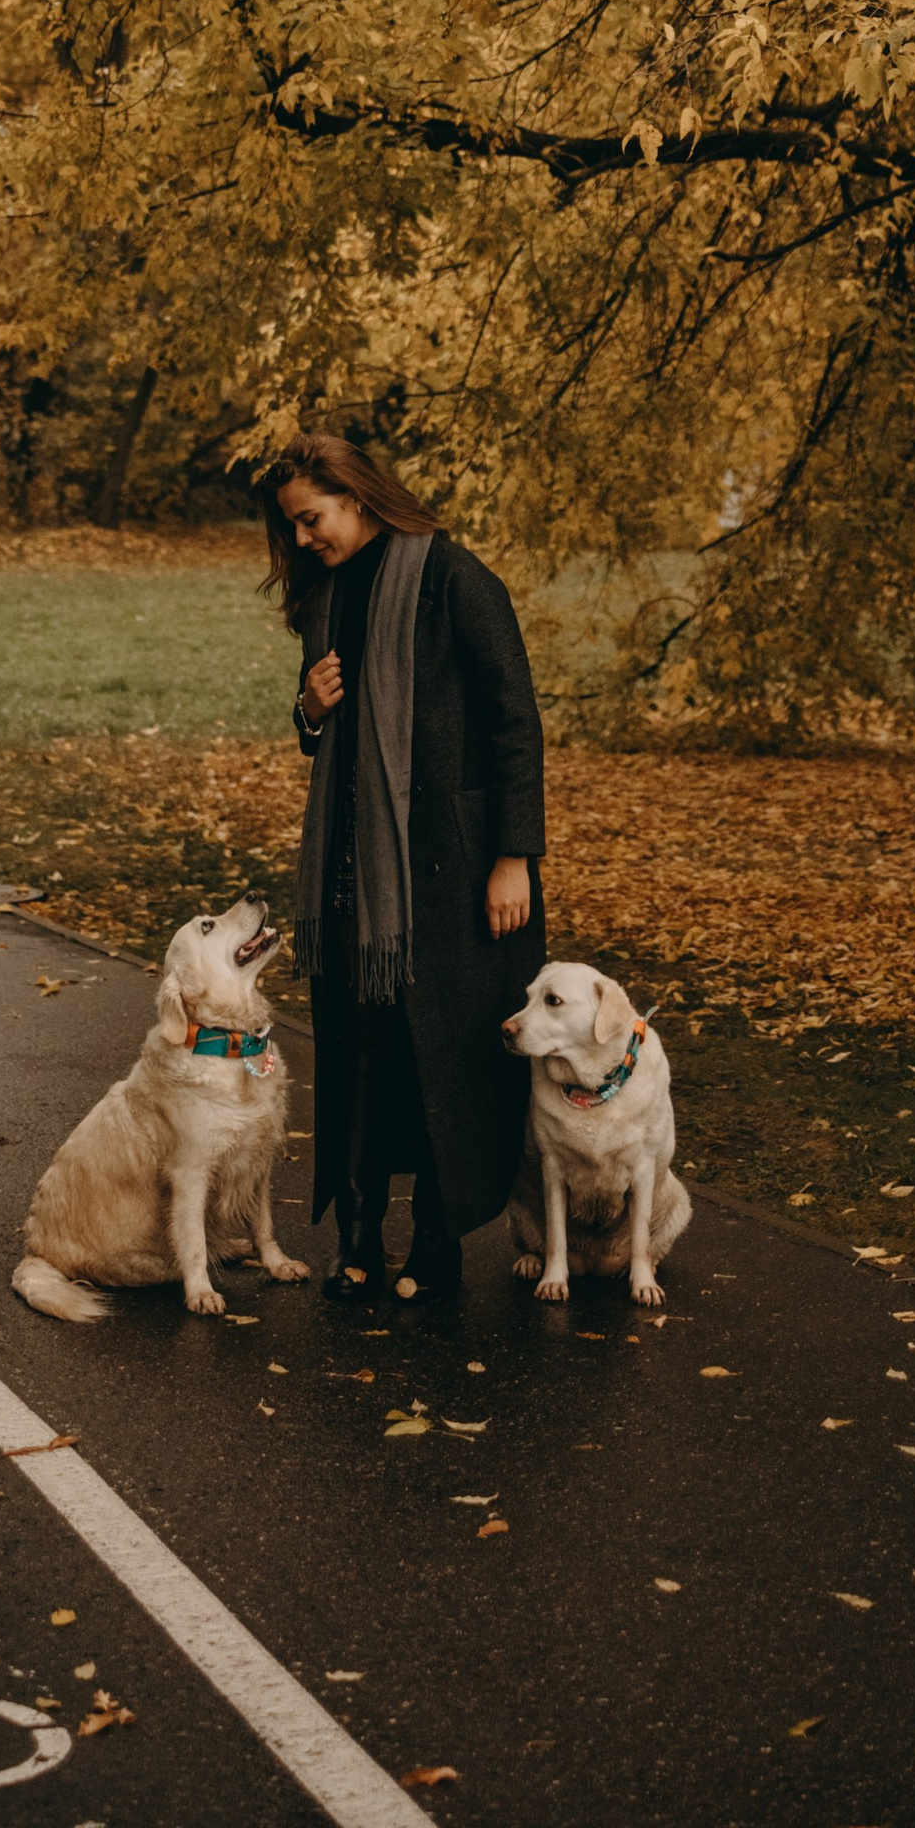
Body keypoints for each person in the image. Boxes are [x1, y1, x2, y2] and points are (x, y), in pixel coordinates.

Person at [262, 432, 546, 1301]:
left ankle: (435, 1241)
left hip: (453, 871)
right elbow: (324, 732)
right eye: (293, 526)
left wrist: (514, 857)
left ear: (355, 496)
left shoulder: (454, 580)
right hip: (353, 877)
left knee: (443, 1055)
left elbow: (514, 722)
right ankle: (357, 1238)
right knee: (358, 1055)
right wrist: (307, 710)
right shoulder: (326, 594)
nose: (303, 538)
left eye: (311, 518)